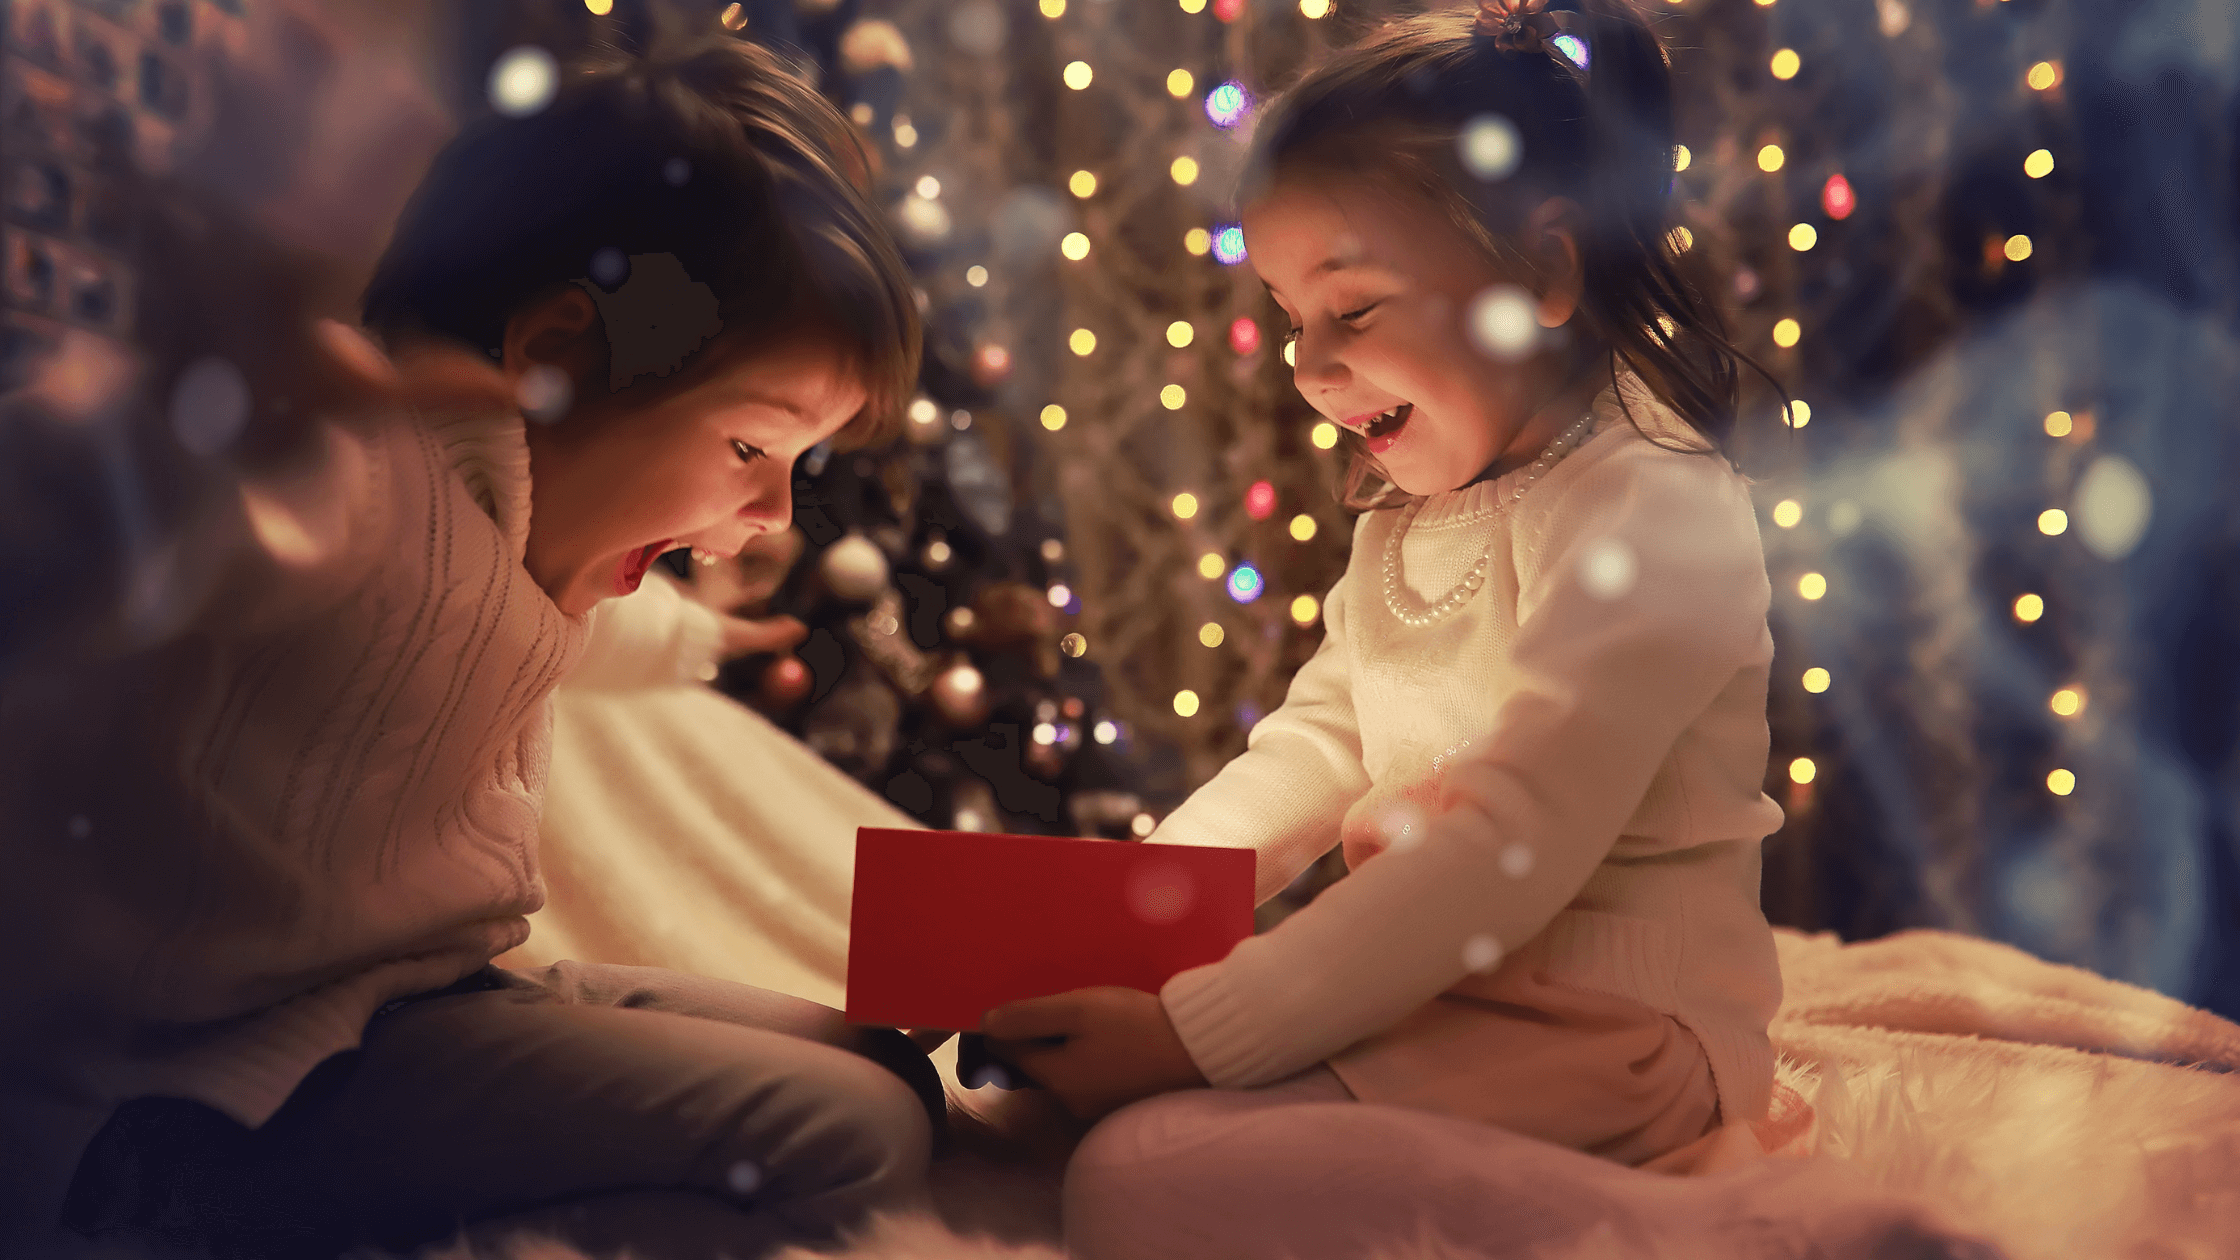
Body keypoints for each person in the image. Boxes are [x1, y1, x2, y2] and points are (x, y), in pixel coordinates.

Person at [3, 36, 945, 1260]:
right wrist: (192, 402)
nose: (771, 515)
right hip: (205, 1099)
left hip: (417, 1005)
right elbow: (89, 522)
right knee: (849, 1136)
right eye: (752, 448)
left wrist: (697, 638)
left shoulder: (527, 530)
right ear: (552, 362)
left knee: (881, 1064)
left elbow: (591, 634)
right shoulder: (345, 486)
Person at [973, 3, 1821, 1255]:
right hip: (1450, 999)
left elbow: (1508, 842)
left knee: (1138, 1178)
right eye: (1287, 317)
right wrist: (1130, 918)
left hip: (1623, 1038)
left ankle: (1687, 1229)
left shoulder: (1654, 505)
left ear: (1542, 270)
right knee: (1041, 1141)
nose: (1307, 369)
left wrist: (1202, 1031)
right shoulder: (1401, 520)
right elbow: (1315, 752)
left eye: (1353, 312)